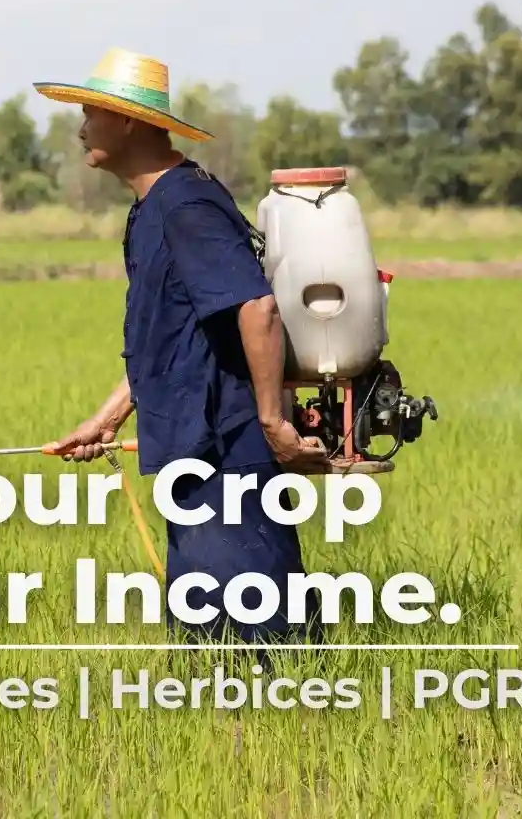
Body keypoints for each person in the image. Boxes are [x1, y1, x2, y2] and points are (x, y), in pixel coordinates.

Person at [36, 47, 331, 646]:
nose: (80, 127)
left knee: (259, 640)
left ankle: (290, 731)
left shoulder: (185, 204)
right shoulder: (152, 208)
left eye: (91, 112)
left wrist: (274, 421)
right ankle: (227, 735)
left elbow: (256, 306)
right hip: (192, 447)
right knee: (205, 644)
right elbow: (173, 335)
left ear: (127, 121)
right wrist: (107, 418)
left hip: (227, 448)